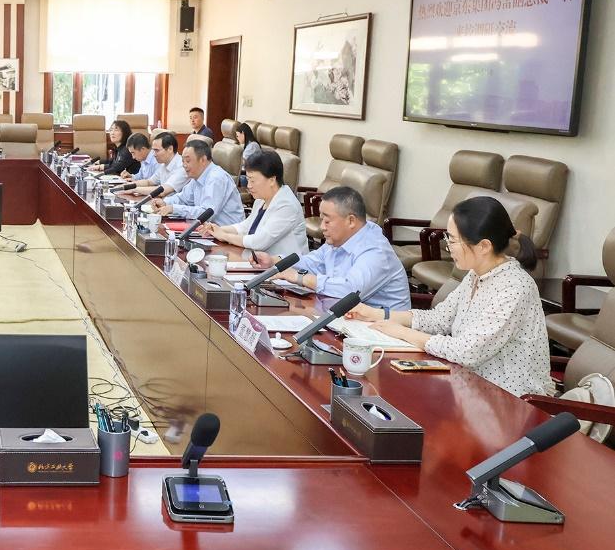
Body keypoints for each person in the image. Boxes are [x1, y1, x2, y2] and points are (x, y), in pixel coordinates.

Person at [347, 196, 553, 398]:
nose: (448, 246)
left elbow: (467, 352)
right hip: (469, 386)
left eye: (453, 240)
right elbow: (439, 319)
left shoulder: (514, 288)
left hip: (509, 400)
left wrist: (403, 333)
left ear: (484, 246)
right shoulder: (476, 274)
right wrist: (377, 314)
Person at [268, 185, 410, 311]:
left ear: (351, 221)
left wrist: (301, 278)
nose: (322, 227)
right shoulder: (339, 240)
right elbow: (312, 262)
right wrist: (274, 261)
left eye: (327, 221)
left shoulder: (375, 251)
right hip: (347, 318)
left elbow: (350, 291)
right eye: (322, 220)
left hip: (383, 328)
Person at [204, 149, 308, 260]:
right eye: (248, 180)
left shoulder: (287, 205)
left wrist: (224, 236)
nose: (249, 186)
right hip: (262, 261)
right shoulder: (261, 200)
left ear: (272, 180)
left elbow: (259, 242)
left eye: (252, 181)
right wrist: (215, 229)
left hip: (288, 266)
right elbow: (245, 227)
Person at [151, 138, 244, 226]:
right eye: (183, 161)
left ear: (203, 160)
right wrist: (165, 203)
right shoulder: (197, 177)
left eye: (188, 161)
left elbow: (206, 214)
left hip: (227, 233)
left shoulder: (216, 178)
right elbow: (183, 198)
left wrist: (173, 209)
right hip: (207, 230)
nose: (184, 165)